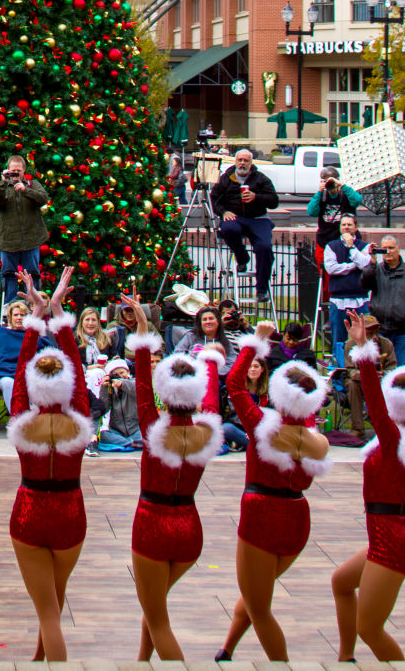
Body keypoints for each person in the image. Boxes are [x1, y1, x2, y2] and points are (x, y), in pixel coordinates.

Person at [214, 324, 332, 661]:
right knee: (255, 594)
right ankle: (227, 650)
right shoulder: (315, 438)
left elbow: (234, 383)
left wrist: (257, 342)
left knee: (259, 605)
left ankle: (281, 664)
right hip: (297, 519)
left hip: (262, 516)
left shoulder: (262, 425)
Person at [121, 293, 224, 662]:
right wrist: (210, 360)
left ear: (167, 392)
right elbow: (212, 398)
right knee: (155, 608)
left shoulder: (153, 427)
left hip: (152, 525)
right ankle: (140, 661)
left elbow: (143, 382)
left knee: (158, 618)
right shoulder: (208, 429)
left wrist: (144, 328)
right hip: (189, 529)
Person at [331, 309, 405, 661]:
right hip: (390, 532)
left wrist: (363, 352)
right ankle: (345, 659)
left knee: (370, 628)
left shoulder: (394, 438)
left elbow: (374, 403)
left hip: (392, 539)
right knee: (341, 583)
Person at [7, 268, 92, 660]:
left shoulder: (25, 421)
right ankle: (39, 660)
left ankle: (50, 660)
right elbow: (75, 368)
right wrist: (56, 312)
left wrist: (35, 319)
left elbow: (23, 373)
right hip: (71, 512)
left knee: (50, 615)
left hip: (31, 513)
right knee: (53, 604)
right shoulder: (79, 420)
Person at [210, 148, 279, 300]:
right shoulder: (226, 178)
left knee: (265, 247)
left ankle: (262, 288)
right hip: (235, 217)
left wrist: (257, 197)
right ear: (235, 162)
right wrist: (223, 212)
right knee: (228, 229)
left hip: (258, 218)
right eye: (239, 160)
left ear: (251, 163)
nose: (242, 163)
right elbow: (213, 199)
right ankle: (242, 258)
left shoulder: (261, 179)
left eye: (245, 160)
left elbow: (274, 201)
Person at [361, 233, 405, 366]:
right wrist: (372, 262)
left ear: (399, 248)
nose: (388, 252)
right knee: (381, 367)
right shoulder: (376, 270)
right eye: (384, 248)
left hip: (404, 330)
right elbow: (364, 284)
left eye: (392, 248)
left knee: (402, 369)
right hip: (380, 330)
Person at [0, 153, 48, 303]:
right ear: (7, 170)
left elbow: (43, 198)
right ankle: (10, 306)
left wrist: (25, 190)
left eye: (18, 171)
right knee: (9, 274)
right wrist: (2, 184)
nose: (15, 174)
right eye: (12, 171)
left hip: (31, 239)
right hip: (9, 241)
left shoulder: (32, 184)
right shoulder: (3, 187)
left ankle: (34, 305)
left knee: (32, 274)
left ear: (24, 171)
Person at [323, 213, 372, 367]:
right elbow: (331, 268)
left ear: (356, 227)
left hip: (360, 300)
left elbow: (364, 265)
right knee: (339, 338)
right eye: (343, 225)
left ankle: (360, 368)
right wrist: (352, 266)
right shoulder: (331, 246)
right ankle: (339, 371)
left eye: (349, 225)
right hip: (338, 301)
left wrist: (351, 248)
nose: (346, 227)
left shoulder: (364, 246)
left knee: (361, 338)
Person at [307, 169, 363, 292]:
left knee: (350, 272)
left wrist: (342, 186)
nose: (330, 185)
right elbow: (311, 211)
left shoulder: (346, 194)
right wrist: (319, 192)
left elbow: (358, 200)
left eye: (332, 181)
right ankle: (329, 305)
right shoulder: (322, 196)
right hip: (325, 242)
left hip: (346, 241)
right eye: (327, 182)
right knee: (326, 277)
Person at [344, 315, 396, 442]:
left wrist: (383, 375)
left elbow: (393, 368)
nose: (374, 336)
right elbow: (350, 370)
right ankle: (357, 429)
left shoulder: (386, 344)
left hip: (381, 382)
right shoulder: (350, 344)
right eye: (369, 332)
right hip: (359, 381)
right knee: (352, 385)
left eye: (376, 331)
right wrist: (366, 376)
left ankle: (386, 428)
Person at [0, 300, 44, 409]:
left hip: (29, 372)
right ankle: (16, 418)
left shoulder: (33, 335)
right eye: (16, 315)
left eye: (22, 315)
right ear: (10, 317)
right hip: (3, 371)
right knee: (9, 383)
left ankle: (35, 417)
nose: (19, 318)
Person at [220, 356, 269, 452]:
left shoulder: (269, 391)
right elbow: (234, 415)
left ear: (262, 369)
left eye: (256, 366)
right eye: (249, 367)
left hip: (260, 430)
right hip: (241, 428)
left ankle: (250, 445)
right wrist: (248, 430)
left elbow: (270, 415)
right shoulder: (237, 388)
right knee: (226, 428)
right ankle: (257, 447)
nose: (252, 370)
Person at [173, 304, 237, 374]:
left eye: (211, 318)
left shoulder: (224, 341)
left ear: (218, 321)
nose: (208, 322)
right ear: (200, 323)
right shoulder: (190, 336)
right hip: (192, 375)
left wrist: (214, 372)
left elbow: (231, 361)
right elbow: (178, 354)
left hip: (216, 377)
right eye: (204, 319)